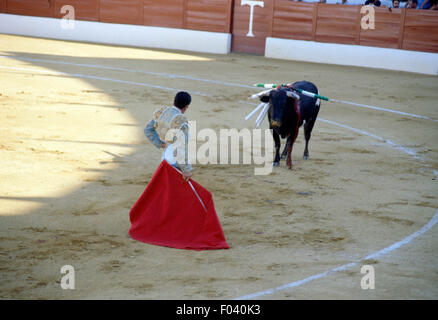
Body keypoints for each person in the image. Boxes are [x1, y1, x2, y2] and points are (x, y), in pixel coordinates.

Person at [144, 91, 192, 181]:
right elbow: (180, 148)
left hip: (165, 158)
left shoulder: (161, 113)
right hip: (175, 162)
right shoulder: (182, 123)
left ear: (174, 101)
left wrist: (160, 144)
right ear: (186, 107)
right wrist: (186, 169)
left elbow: (148, 130)